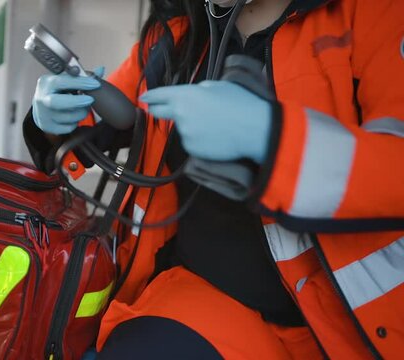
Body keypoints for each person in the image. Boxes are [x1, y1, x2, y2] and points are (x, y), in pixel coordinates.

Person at [24, 0, 404, 358]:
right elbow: (111, 115)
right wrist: (52, 122)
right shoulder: (174, 38)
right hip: (199, 302)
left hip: (341, 326)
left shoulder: (374, 14)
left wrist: (271, 137)